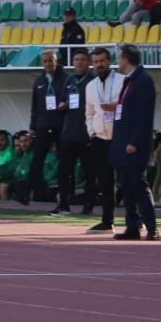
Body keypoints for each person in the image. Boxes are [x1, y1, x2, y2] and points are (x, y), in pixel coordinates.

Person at [110, 44, 157, 239]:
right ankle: (132, 226)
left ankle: (151, 227)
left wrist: (134, 141)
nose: (117, 62)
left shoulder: (143, 81)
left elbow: (144, 116)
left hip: (133, 144)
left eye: (119, 58)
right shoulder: (130, 81)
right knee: (127, 187)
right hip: (123, 142)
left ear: (126, 59)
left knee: (138, 186)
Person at [83, 46, 121, 230]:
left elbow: (131, 107)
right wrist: (92, 132)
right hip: (100, 139)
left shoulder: (123, 81)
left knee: (130, 180)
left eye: (102, 61)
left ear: (109, 61)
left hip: (120, 138)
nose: (99, 65)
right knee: (105, 183)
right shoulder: (90, 86)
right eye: (96, 62)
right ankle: (107, 221)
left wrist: (117, 108)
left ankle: (137, 219)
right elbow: (89, 113)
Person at [27, 50, 67, 205]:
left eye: (51, 61)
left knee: (63, 161)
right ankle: (29, 191)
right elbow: (34, 106)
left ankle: (64, 195)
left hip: (60, 125)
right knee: (37, 159)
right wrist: (32, 127)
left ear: (56, 61)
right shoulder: (39, 81)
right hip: (43, 125)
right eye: (45, 61)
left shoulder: (65, 79)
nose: (48, 64)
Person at [56, 50, 92, 216]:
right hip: (68, 133)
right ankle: (63, 204)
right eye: (76, 60)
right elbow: (63, 100)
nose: (79, 62)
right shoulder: (69, 80)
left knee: (89, 171)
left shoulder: (93, 80)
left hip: (87, 134)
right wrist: (62, 105)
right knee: (64, 171)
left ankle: (89, 205)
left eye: (83, 60)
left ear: (89, 62)